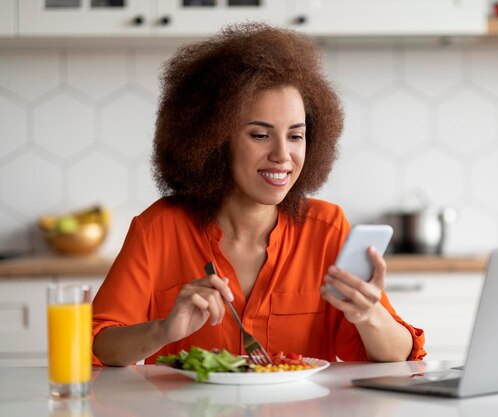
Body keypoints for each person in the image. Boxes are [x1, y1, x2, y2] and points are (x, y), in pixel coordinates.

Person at [92, 23, 426, 367]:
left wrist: (368, 313)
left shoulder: (327, 229)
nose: (283, 155)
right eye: (260, 135)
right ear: (215, 140)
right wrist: (163, 331)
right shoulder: (158, 230)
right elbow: (98, 345)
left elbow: (400, 355)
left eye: (295, 136)